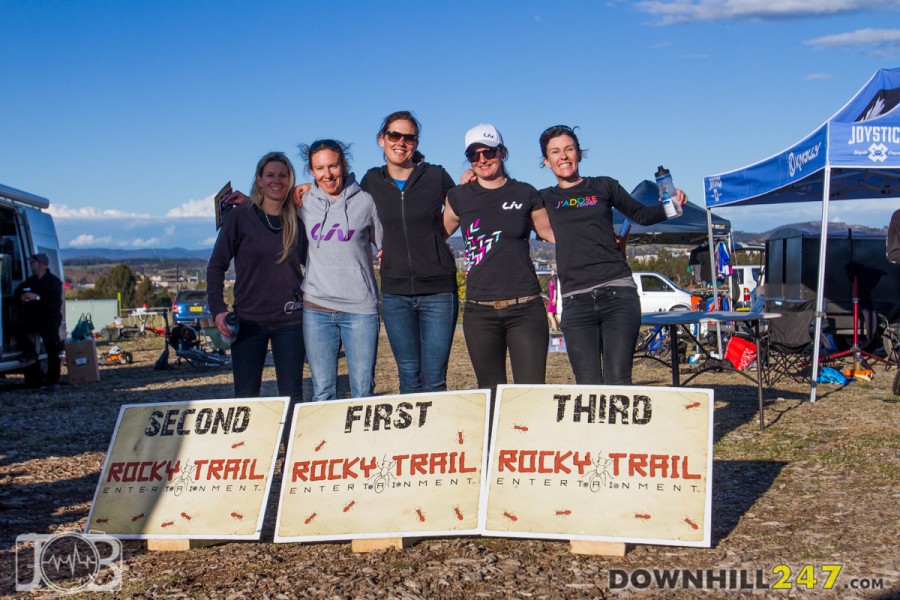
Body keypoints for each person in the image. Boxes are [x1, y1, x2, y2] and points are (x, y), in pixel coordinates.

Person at [537, 125, 687, 385]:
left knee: (618, 381)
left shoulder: (604, 185)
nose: (563, 156)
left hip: (617, 292)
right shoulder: (542, 198)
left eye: (569, 149)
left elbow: (641, 214)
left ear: (579, 154)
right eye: (555, 152)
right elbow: (507, 207)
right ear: (546, 161)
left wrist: (672, 204)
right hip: (575, 300)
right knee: (588, 385)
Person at [444, 124, 555, 393]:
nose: (482, 160)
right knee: (490, 392)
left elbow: (550, 232)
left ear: (502, 152)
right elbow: (436, 235)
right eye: (474, 155)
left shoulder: (525, 193)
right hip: (479, 311)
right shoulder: (458, 196)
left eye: (489, 152)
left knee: (529, 393)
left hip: (525, 308)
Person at [360, 111, 459, 394]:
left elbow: (464, 205)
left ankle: (435, 439)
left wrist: (434, 237)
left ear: (415, 143)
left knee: (435, 380)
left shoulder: (436, 176)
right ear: (382, 139)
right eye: (394, 135)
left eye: (409, 137)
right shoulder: (370, 181)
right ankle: (414, 440)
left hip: (438, 292)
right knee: (408, 378)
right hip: (395, 294)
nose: (401, 142)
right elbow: (347, 208)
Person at [207, 152, 307, 405]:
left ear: (290, 180)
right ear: (259, 180)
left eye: (283, 176)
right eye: (270, 175)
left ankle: (289, 443)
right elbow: (217, 264)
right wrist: (218, 309)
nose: (277, 181)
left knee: (292, 395)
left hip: (291, 321)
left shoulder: (299, 218)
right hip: (249, 321)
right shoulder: (240, 218)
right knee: (246, 396)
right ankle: (248, 446)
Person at [298, 139, 383, 400]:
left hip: (360, 310)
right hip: (316, 309)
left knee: (362, 391)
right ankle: (326, 443)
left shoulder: (366, 202)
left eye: (333, 166)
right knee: (322, 391)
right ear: (312, 171)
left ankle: (362, 443)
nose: (327, 174)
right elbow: (269, 198)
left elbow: (385, 245)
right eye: (320, 168)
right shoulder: (303, 202)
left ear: (343, 165)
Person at [10, 253, 63, 388]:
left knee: (51, 348)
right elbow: (17, 293)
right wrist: (21, 297)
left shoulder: (53, 282)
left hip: (50, 318)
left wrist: (37, 297)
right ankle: (31, 353)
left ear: (40, 264)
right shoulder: (31, 281)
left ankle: (53, 380)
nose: (31, 265)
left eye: (33, 262)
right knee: (15, 327)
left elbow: (55, 302)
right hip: (34, 317)